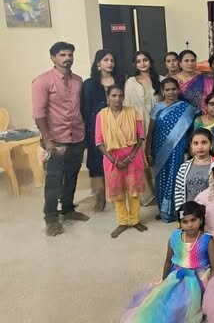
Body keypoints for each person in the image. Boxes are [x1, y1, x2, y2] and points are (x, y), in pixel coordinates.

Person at [120, 201, 214, 323]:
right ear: (180, 223)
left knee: (183, 306)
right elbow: (168, 261)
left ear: (201, 220)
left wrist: (210, 291)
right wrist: (164, 281)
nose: (190, 225)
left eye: (193, 220)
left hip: (199, 279)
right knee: (161, 301)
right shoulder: (174, 238)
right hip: (176, 276)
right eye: (185, 221)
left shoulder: (208, 240)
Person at [32, 42, 89, 236]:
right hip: (56, 139)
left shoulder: (78, 81)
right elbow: (38, 114)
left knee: (72, 174)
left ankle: (68, 209)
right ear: (53, 58)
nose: (67, 58)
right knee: (54, 178)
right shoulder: (42, 81)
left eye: (70, 54)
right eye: (62, 55)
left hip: (77, 136)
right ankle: (51, 218)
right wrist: (48, 139)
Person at [94, 85, 147, 238]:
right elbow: (99, 141)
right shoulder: (101, 115)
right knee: (117, 191)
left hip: (133, 158)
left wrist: (130, 157)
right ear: (108, 98)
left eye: (120, 95)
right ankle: (123, 222)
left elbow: (140, 136)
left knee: (134, 191)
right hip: (112, 159)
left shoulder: (132, 112)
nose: (117, 99)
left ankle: (135, 220)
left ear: (124, 97)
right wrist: (114, 160)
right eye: (114, 95)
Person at [146, 78, 198, 222]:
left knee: (176, 179)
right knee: (161, 179)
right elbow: (150, 131)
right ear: (162, 91)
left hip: (179, 149)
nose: (171, 92)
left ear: (178, 90)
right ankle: (163, 211)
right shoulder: (157, 108)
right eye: (167, 90)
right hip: (158, 149)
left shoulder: (187, 108)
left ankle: (176, 212)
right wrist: (148, 151)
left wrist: (190, 150)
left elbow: (192, 132)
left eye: (173, 89)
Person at [82, 49, 122, 211]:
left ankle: (119, 196)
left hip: (118, 125)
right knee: (96, 162)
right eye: (106, 60)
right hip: (95, 126)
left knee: (117, 157)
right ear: (98, 63)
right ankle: (100, 197)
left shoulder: (120, 80)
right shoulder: (89, 84)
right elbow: (85, 108)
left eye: (112, 60)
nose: (110, 63)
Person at [124, 51, 161, 206]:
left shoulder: (160, 80)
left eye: (145, 60)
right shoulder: (130, 82)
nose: (142, 63)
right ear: (135, 64)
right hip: (138, 124)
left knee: (156, 158)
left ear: (150, 61)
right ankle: (146, 196)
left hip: (158, 124)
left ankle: (160, 193)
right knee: (141, 159)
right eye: (138, 61)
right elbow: (127, 105)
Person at [174, 129, 213, 211]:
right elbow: (178, 191)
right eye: (196, 143)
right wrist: (181, 212)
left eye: (204, 142)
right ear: (191, 146)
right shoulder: (184, 167)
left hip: (211, 212)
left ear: (211, 144)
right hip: (190, 214)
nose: (200, 147)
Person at [175, 49, 214, 113]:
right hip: (180, 115)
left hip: (202, 115)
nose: (190, 63)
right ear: (180, 63)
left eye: (193, 60)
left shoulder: (206, 79)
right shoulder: (174, 80)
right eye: (186, 61)